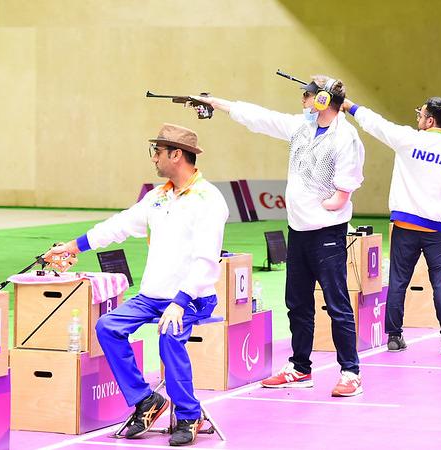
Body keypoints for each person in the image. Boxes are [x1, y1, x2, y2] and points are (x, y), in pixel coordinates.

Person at [44, 123, 229, 446]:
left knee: (169, 334)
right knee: (108, 326)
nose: (153, 158)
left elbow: (206, 261)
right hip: (153, 295)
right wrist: (72, 246)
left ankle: (188, 414)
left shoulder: (209, 200)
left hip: (193, 297)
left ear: (176, 154)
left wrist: (180, 301)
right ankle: (146, 400)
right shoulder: (157, 196)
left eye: (157, 152)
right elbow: (119, 225)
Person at [195, 75, 365, 397]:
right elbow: (261, 118)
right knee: (297, 304)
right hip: (298, 232)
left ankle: (350, 372)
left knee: (337, 304)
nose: (303, 102)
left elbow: (348, 181)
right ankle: (300, 368)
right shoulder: (301, 127)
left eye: (307, 96)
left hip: (327, 233)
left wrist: (337, 200)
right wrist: (217, 103)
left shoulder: (346, 137)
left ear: (322, 101)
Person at [341, 96, 441, 354]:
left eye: (420, 114)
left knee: (399, 281)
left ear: (430, 120)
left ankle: (394, 336)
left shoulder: (407, 138)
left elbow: (375, 124)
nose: (417, 118)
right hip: (440, 230)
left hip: (405, 226)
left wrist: (350, 106)